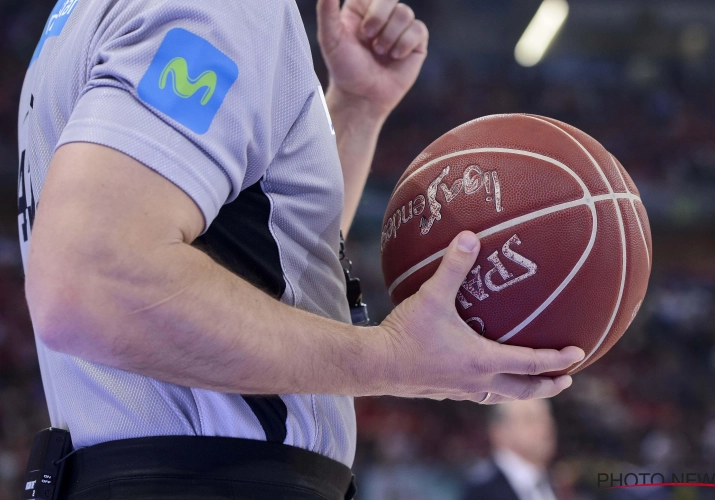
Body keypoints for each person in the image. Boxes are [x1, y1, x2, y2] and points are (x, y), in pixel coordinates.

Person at [18, 0, 585, 498]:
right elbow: (90, 281)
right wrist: (396, 360)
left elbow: (255, 250)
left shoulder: (79, 16)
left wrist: (357, 109)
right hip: (206, 479)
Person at [463, 399, 559, 500]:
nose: (547, 427)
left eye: (547, 417)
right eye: (531, 419)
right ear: (500, 431)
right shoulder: (481, 491)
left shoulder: (556, 481)